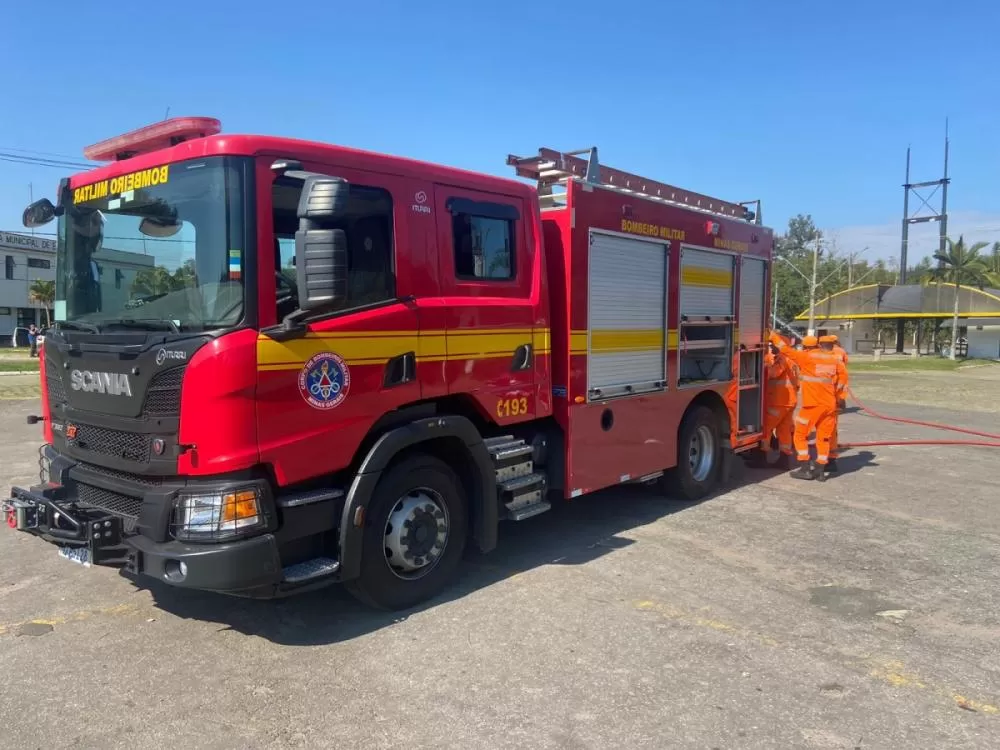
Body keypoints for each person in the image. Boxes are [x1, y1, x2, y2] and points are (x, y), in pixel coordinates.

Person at [769, 331, 847, 481]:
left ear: (818, 345)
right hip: (830, 406)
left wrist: (773, 336)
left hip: (813, 405)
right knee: (824, 437)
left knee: (799, 435)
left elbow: (786, 350)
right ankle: (821, 470)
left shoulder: (807, 357)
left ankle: (805, 468)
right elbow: (842, 383)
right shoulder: (836, 361)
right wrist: (840, 399)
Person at [761, 333, 799, 469]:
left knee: (766, 428)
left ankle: (761, 458)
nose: (771, 348)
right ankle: (784, 459)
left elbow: (773, 374)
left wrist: (762, 368)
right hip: (789, 400)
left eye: (773, 345)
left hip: (779, 401)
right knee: (784, 431)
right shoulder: (792, 360)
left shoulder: (782, 359)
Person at [819, 334, 849, 473]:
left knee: (825, 430)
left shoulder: (821, 355)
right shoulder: (841, 352)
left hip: (827, 397)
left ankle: (826, 460)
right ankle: (831, 458)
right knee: (831, 430)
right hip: (835, 396)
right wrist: (841, 399)